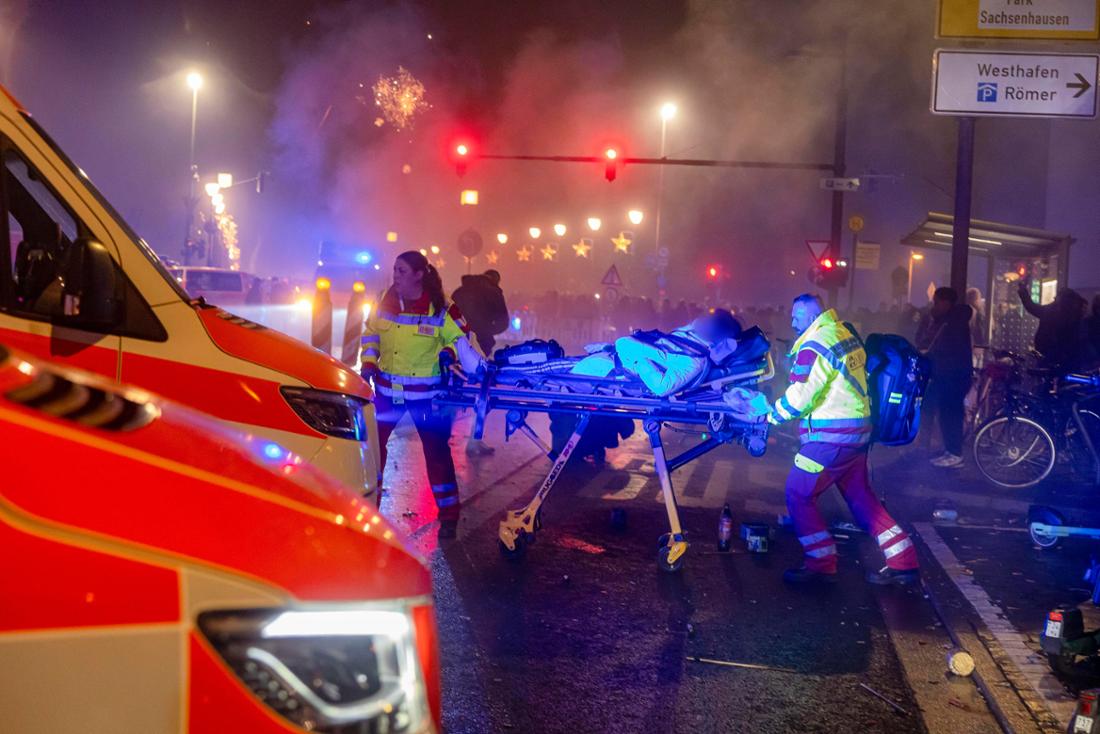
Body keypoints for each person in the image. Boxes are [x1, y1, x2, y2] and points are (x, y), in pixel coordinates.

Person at [726, 294, 919, 586]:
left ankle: (820, 563)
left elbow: (801, 397)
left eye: (796, 316)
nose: (792, 321)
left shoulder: (814, 345)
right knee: (861, 498)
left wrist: (768, 417)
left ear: (810, 315)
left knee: (798, 493)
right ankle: (904, 560)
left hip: (832, 438)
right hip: (856, 433)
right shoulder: (841, 332)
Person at [361, 251, 482, 538]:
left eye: (401, 271)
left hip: (427, 398)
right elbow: (370, 334)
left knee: (437, 453)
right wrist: (368, 361)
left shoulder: (442, 308)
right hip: (386, 393)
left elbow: (461, 338)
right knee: (371, 451)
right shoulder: (385, 303)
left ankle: (450, 514)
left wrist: (447, 352)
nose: (395, 276)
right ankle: (368, 511)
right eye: (394, 270)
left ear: (419, 274)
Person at [451, 269, 510, 456]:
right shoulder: (493, 292)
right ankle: (474, 440)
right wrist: (485, 331)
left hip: (453, 344)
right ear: (496, 280)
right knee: (481, 390)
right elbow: (503, 322)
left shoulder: (459, 291)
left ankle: (440, 434)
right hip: (479, 347)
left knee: (451, 388)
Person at [916, 287, 973, 469]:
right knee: (946, 413)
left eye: (937, 301)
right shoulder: (948, 320)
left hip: (954, 376)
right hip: (948, 375)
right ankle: (950, 451)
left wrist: (929, 355)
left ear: (946, 302)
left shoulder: (952, 323)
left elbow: (944, 348)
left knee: (951, 414)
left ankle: (955, 454)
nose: (935, 305)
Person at [1018, 281, 1090, 371]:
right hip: (1067, 356)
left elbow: (1031, 307)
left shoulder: (1051, 310)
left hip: (1047, 352)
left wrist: (1023, 292)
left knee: (1047, 377)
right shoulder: (1075, 313)